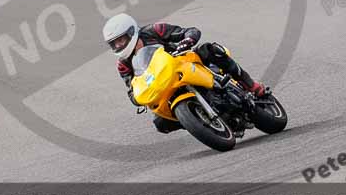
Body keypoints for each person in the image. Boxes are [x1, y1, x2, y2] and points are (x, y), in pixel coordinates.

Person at [102, 13, 267, 134]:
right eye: (114, 44)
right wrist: (136, 97)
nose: (119, 45)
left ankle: (251, 85)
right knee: (160, 123)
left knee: (211, 50)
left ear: (131, 32)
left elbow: (190, 31)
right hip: (162, 84)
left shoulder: (154, 31)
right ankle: (198, 121)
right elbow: (132, 88)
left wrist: (187, 41)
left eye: (121, 40)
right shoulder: (123, 65)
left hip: (183, 62)